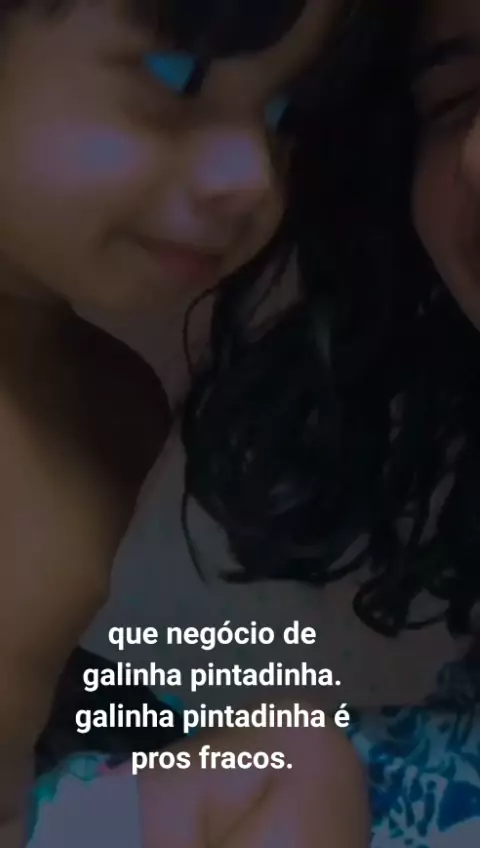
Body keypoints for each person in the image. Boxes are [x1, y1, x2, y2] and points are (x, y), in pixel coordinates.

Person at [0, 0, 369, 845]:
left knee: (291, 752)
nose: (253, 175)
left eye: (281, 115)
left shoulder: (111, 405)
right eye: (178, 77)